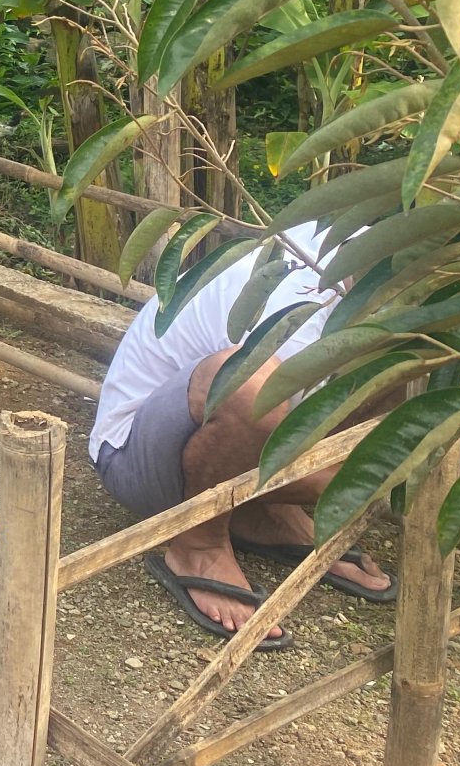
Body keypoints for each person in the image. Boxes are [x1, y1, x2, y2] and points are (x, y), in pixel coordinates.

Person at [91, 222, 396, 648]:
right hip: (135, 459)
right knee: (250, 384)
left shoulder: (352, 234)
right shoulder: (296, 304)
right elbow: (313, 451)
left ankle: (259, 512)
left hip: (225, 450)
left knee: (405, 370)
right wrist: (393, 469)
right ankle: (198, 542)